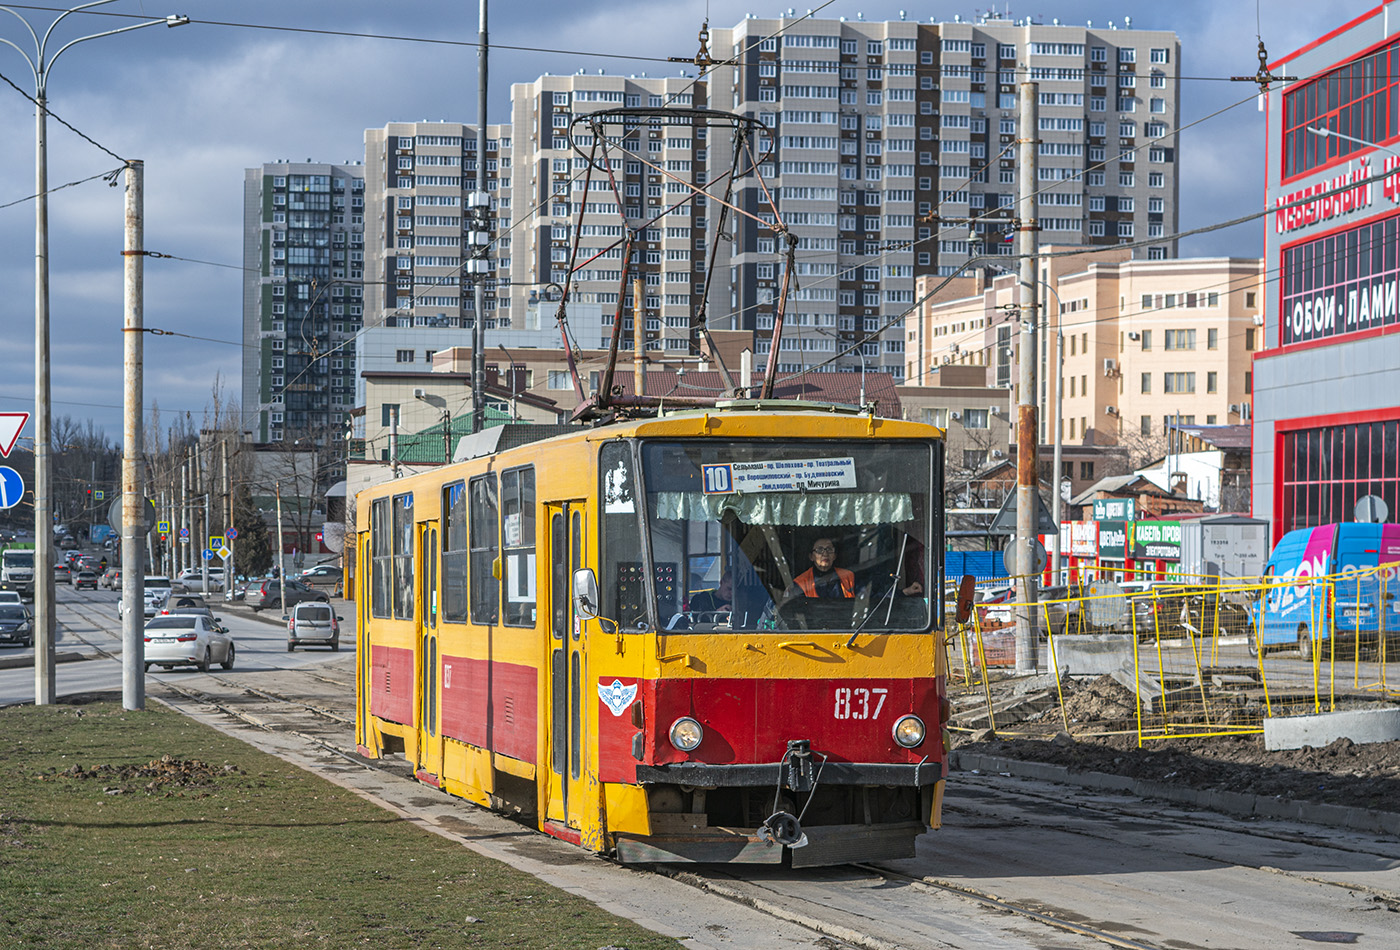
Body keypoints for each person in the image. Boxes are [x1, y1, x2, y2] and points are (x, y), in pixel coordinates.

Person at [791, 538, 855, 599]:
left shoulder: (849, 577)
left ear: (834, 556)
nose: (825, 554)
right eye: (819, 550)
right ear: (811, 557)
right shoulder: (800, 583)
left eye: (829, 549)